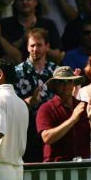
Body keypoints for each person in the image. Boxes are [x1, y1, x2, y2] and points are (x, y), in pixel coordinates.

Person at [37, 66, 91, 162]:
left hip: (82, 168)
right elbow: (47, 138)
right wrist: (73, 119)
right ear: (55, 85)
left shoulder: (83, 106)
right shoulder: (46, 108)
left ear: (73, 84)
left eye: (69, 81)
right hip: (56, 169)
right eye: (61, 82)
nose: (66, 86)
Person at [14, 27, 57, 162]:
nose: (35, 49)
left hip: (51, 130)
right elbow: (10, 104)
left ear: (47, 46)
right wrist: (26, 102)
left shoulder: (55, 71)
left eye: (39, 45)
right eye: (32, 45)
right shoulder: (17, 71)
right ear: (27, 47)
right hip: (26, 130)